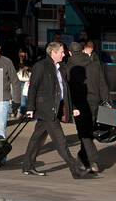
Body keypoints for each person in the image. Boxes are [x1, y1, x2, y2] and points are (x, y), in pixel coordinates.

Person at [22, 41, 96, 179]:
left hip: (54, 109)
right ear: (53, 53)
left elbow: (65, 90)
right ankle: (75, 169)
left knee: (37, 138)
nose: (63, 54)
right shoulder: (41, 66)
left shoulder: (61, 67)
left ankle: (27, 165)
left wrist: (71, 107)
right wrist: (30, 108)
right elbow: (33, 88)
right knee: (61, 141)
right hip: (46, 109)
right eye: (61, 52)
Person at [65, 40, 106, 173]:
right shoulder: (94, 65)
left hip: (79, 104)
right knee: (88, 131)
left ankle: (93, 160)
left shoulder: (68, 68)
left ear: (70, 53)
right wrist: (107, 101)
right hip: (95, 102)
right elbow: (102, 85)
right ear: (82, 50)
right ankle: (82, 157)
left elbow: (67, 89)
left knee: (84, 133)